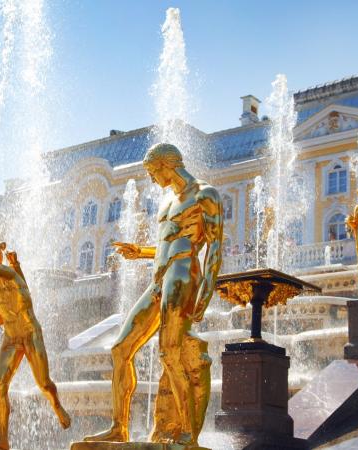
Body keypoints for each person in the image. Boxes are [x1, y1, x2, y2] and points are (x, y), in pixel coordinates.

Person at [83, 143, 223, 446]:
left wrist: (206, 293)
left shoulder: (205, 194)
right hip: (159, 278)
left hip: (183, 274)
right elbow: (165, 244)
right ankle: (118, 427)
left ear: (166, 165)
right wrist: (140, 252)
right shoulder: (168, 201)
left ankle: (188, 433)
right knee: (120, 349)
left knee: (169, 352)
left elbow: (214, 247)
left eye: (152, 172)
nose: (151, 179)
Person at [0, 242, 70, 450]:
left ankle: (57, 405)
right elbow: (5, 313)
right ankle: (3, 440)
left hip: (30, 334)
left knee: (44, 383)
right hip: (11, 338)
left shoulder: (9, 274)